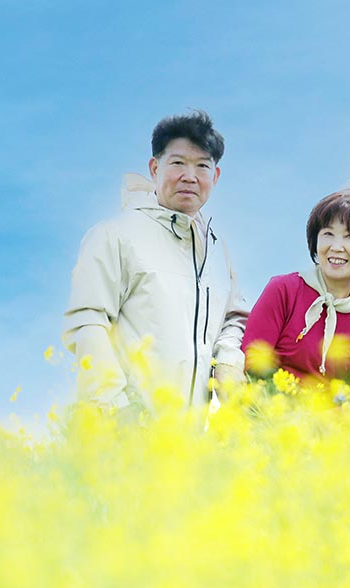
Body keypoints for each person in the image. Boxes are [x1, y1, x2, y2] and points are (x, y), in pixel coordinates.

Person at [63, 111, 248, 411]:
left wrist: (228, 360)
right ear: (154, 168)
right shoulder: (113, 235)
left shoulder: (217, 250)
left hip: (191, 433)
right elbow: (88, 322)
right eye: (178, 163)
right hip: (125, 427)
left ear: (215, 176)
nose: (190, 176)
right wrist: (117, 410)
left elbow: (234, 319)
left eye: (202, 166)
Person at [242, 190, 350, 397]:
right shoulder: (284, 289)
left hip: (325, 418)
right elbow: (252, 362)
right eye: (328, 234)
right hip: (264, 410)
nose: (336, 247)